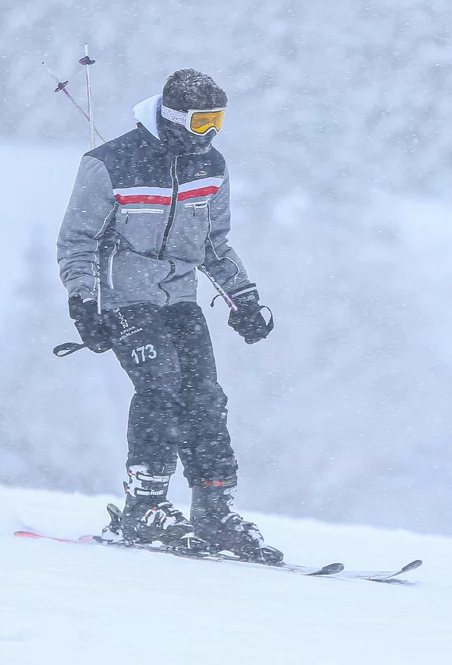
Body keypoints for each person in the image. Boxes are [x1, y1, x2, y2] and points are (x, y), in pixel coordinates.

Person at [56, 69, 280, 564]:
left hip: (179, 298)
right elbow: (77, 243)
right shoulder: (108, 165)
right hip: (123, 299)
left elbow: (213, 245)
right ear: (174, 116)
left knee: (205, 397)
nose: (211, 132)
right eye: (202, 121)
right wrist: (83, 303)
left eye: (217, 120)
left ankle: (214, 512)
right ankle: (145, 507)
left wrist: (243, 298)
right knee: (160, 387)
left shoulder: (211, 167)